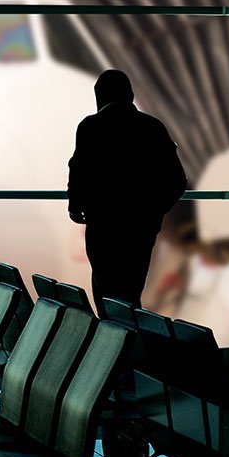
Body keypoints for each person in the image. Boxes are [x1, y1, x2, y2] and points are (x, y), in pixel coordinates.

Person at [66, 69, 187, 313]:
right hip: (140, 230)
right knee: (131, 292)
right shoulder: (153, 128)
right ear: (130, 95)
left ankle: (113, 342)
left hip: (102, 227)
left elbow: (78, 172)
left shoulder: (89, 128)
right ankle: (129, 340)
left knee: (104, 290)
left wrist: (76, 206)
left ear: (99, 96)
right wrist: (155, 212)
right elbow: (177, 180)